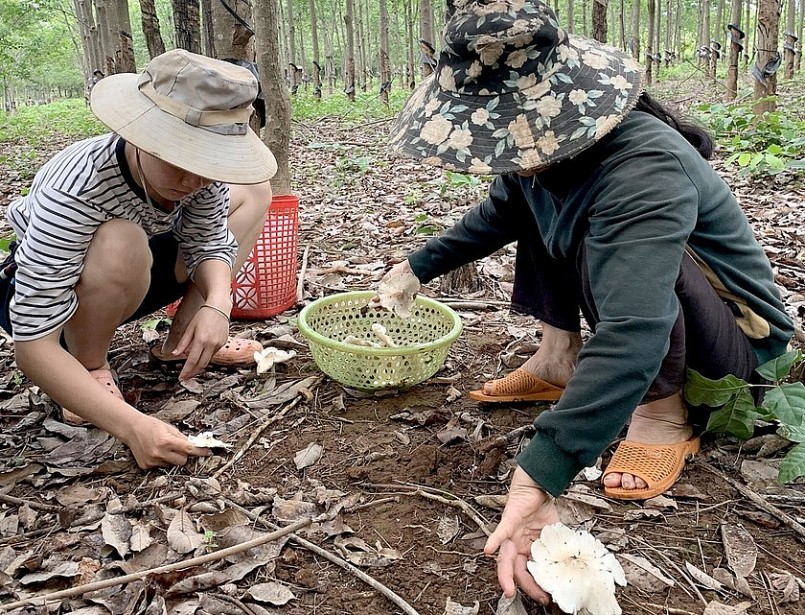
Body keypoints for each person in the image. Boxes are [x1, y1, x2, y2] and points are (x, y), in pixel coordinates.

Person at [379, 0, 793, 604]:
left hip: (731, 344)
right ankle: (556, 359)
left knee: (631, 254)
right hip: (648, 310)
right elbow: (499, 214)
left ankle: (663, 413)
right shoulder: (541, 157)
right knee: (541, 211)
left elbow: (634, 327)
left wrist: (547, 465)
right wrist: (415, 268)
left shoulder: (643, 168)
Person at [0, 49, 277, 470]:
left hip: (139, 273)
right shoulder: (76, 188)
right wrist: (134, 428)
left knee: (254, 191)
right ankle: (89, 366)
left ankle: (183, 343)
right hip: (53, 297)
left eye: (208, 162)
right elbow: (32, 343)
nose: (195, 179)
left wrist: (219, 303)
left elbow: (208, 240)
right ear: (140, 133)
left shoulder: (201, 176)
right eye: (181, 159)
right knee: (120, 239)